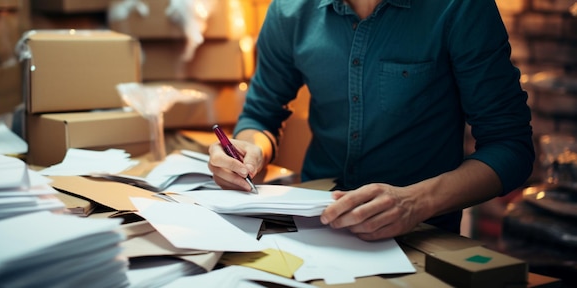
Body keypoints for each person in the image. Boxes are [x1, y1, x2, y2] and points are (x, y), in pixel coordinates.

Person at [207, 0, 534, 241]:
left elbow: (511, 147)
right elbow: (261, 113)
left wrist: (415, 202)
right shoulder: (289, 10)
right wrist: (249, 150)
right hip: (311, 227)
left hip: (420, 235)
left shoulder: (460, 8)